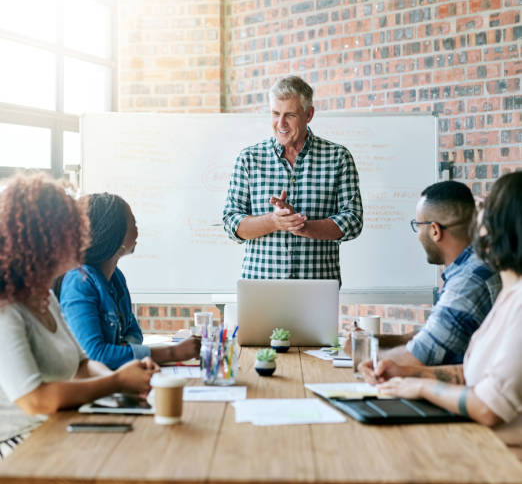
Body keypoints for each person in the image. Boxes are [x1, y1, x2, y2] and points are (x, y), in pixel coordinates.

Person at [0, 175, 158, 458]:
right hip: (18, 443)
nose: (81, 238)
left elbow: (83, 365)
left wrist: (122, 381)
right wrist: (117, 383)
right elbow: (35, 399)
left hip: (56, 426)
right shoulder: (6, 310)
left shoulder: (44, 297)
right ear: (40, 240)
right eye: (70, 231)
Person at [373, 171, 522, 450]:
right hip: (480, 443)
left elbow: (489, 405)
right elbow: (474, 374)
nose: (476, 226)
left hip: (504, 463)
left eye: (484, 215)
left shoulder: (513, 300)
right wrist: (406, 374)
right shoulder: (510, 294)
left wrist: (421, 387)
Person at [223, 75, 363, 285]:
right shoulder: (249, 159)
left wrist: (302, 227)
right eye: (275, 114)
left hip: (318, 287)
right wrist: (274, 222)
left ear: (309, 114)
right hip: (261, 288)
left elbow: (353, 221)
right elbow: (231, 224)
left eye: (290, 115)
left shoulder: (338, 157)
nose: (281, 124)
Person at [358, 181, 501, 373]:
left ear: (435, 230)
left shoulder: (467, 282)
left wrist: (360, 351)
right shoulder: (476, 265)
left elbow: (416, 359)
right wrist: (373, 339)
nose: (418, 234)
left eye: (418, 225)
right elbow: (438, 334)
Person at [59, 193, 200, 370]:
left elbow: (134, 332)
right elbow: (96, 355)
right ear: (114, 233)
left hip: (119, 378)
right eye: (133, 223)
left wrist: (120, 350)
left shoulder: (116, 277)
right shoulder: (80, 282)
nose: (137, 229)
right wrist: (173, 353)